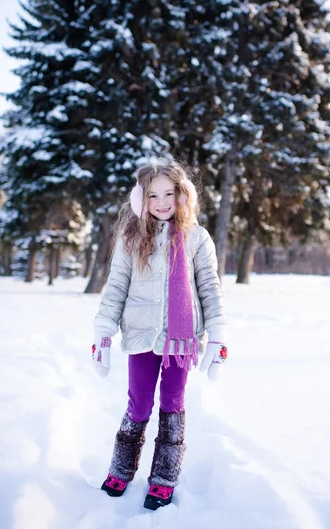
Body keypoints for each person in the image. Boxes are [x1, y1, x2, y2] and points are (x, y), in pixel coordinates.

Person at [91, 159, 228, 510]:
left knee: (173, 404)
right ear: (142, 200)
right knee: (138, 403)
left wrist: (217, 334)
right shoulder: (131, 238)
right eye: (154, 196)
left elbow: (210, 288)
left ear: (182, 196)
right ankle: (121, 469)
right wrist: (103, 333)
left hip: (180, 341)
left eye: (170, 193)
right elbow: (117, 287)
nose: (163, 202)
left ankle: (164, 477)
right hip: (140, 336)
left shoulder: (197, 238)